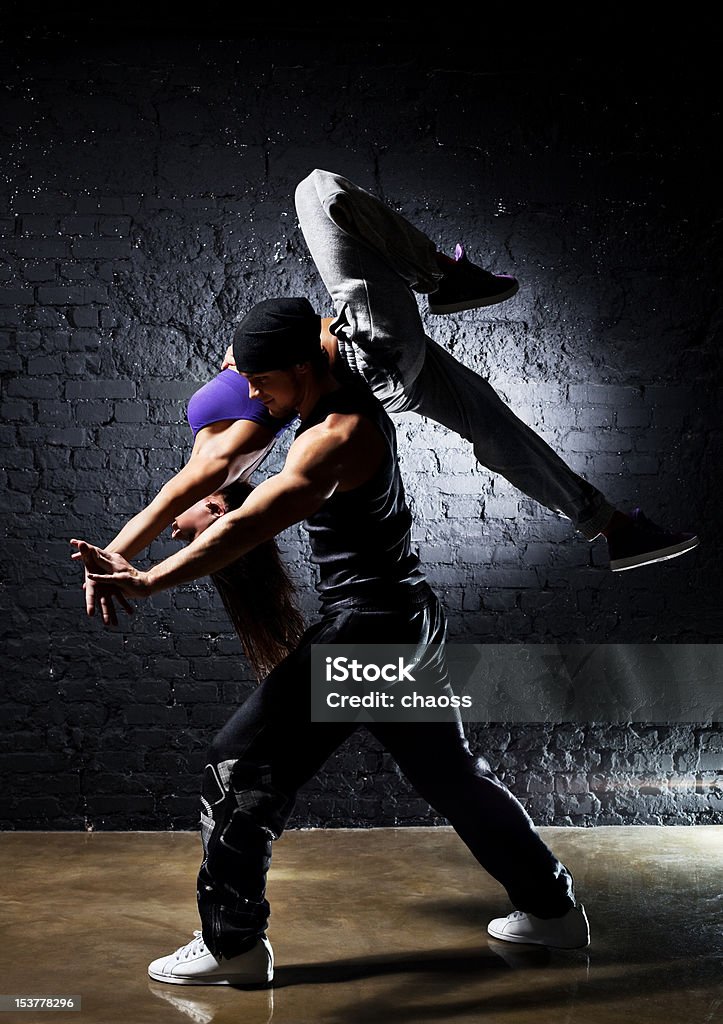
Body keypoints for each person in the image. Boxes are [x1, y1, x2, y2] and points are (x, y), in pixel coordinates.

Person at [72, 297, 590, 987]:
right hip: (406, 619)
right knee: (448, 774)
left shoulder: (335, 436)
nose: (253, 395)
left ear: (299, 367)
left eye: (262, 382)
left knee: (239, 760)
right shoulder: (325, 362)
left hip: (369, 628)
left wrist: (145, 581)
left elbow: (241, 528)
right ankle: (550, 910)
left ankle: (232, 945)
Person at [91, 169, 697, 593]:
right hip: (373, 353)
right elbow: (190, 502)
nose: (180, 528)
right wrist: (131, 566)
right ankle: (441, 278)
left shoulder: (229, 427)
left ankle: (615, 529)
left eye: (257, 380)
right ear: (220, 505)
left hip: (371, 365)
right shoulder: (239, 453)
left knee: (492, 425)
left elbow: (175, 499)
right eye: (192, 531)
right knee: (315, 189)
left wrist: (118, 552)